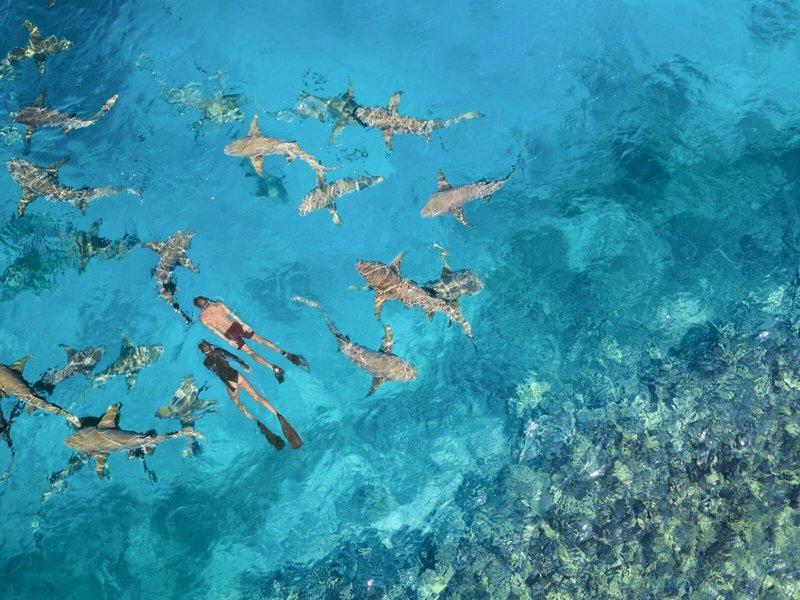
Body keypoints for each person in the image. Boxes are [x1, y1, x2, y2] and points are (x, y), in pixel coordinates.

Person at [198, 341, 302, 450]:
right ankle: (278, 415)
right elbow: (234, 357)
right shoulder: (219, 350)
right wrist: (245, 366)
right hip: (237, 375)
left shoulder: (206, 363)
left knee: (239, 405)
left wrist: (230, 386)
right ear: (211, 346)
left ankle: (257, 422)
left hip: (229, 383)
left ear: (203, 353)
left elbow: (219, 373)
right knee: (257, 397)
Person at [194, 296, 308, 383]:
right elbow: (232, 314)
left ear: (199, 307)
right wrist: (243, 324)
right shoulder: (217, 304)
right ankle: (285, 354)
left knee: (250, 352)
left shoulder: (202, 318)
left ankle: (273, 368)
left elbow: (215, 331)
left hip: (229, 335)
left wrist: (229, 341)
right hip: (237, 327)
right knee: (261, 340)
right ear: (206, 300)